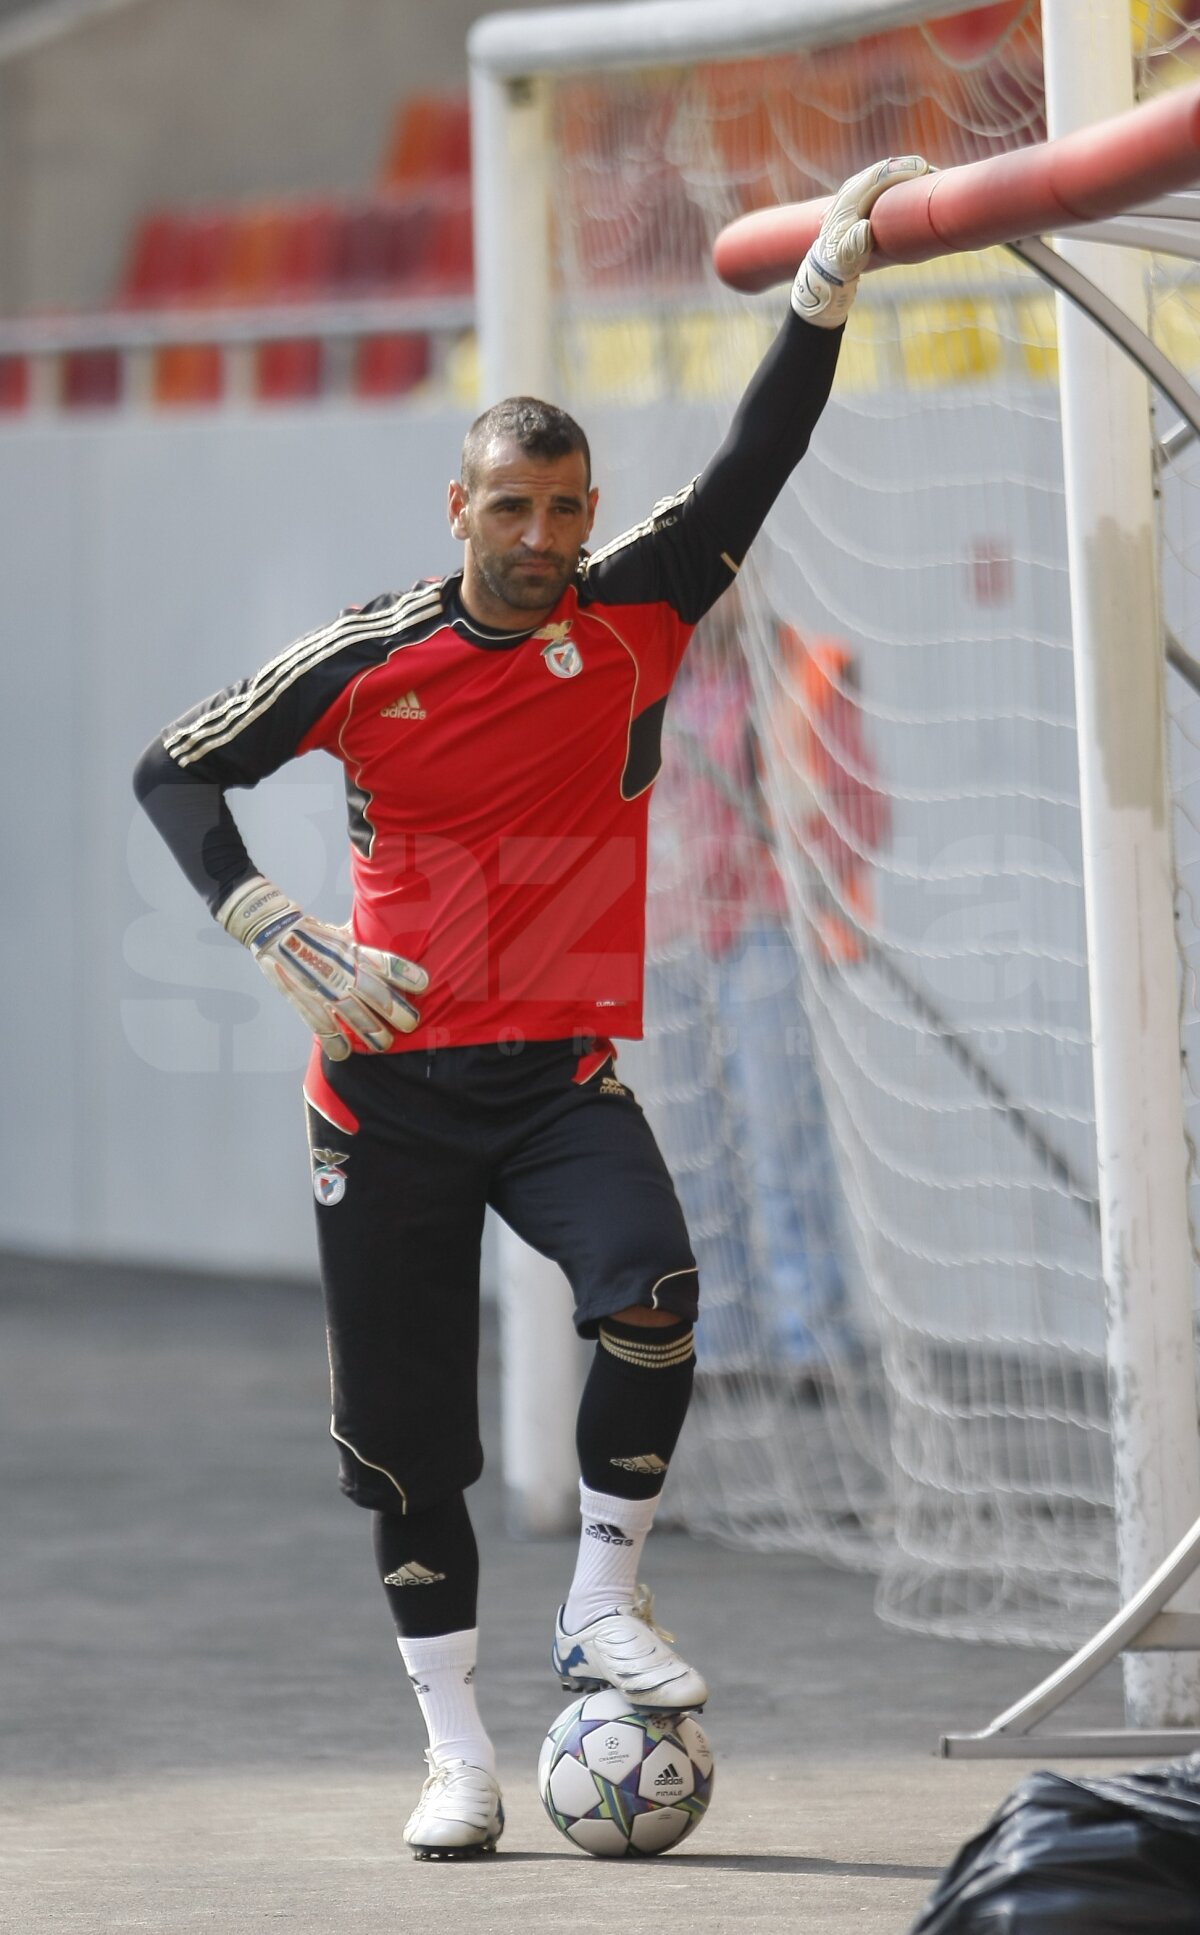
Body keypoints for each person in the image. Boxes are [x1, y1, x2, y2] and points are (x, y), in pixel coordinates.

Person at [133, 156, 927, 1860]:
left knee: (655, 1296)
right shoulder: (368, 663)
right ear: (459, 507)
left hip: (560, 1079)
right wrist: (267, 915)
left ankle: (597, 1613)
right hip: (386, 1096)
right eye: (517, 510)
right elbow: (177, 768)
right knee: (415, 1456)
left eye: (568, 510)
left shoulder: (636, 617)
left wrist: (822, 299)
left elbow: (754, 468)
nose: (549, 541)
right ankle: (457, 1757)